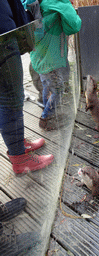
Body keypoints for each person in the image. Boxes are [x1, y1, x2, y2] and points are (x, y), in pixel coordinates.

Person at [0, 0, 54, 175]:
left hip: (5, 30)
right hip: (3, 36)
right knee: (10, 98)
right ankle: (20, 159)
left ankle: (18, 145)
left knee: (9, 95)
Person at [29, 0, 82, 130]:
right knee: (58, 89)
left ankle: (49, 112)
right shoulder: (59, 3)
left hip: (38, 56)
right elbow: (74, 26)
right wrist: (68, 5)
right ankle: (46, 119)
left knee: (48, 85)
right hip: (52, 58)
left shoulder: (38, 2)